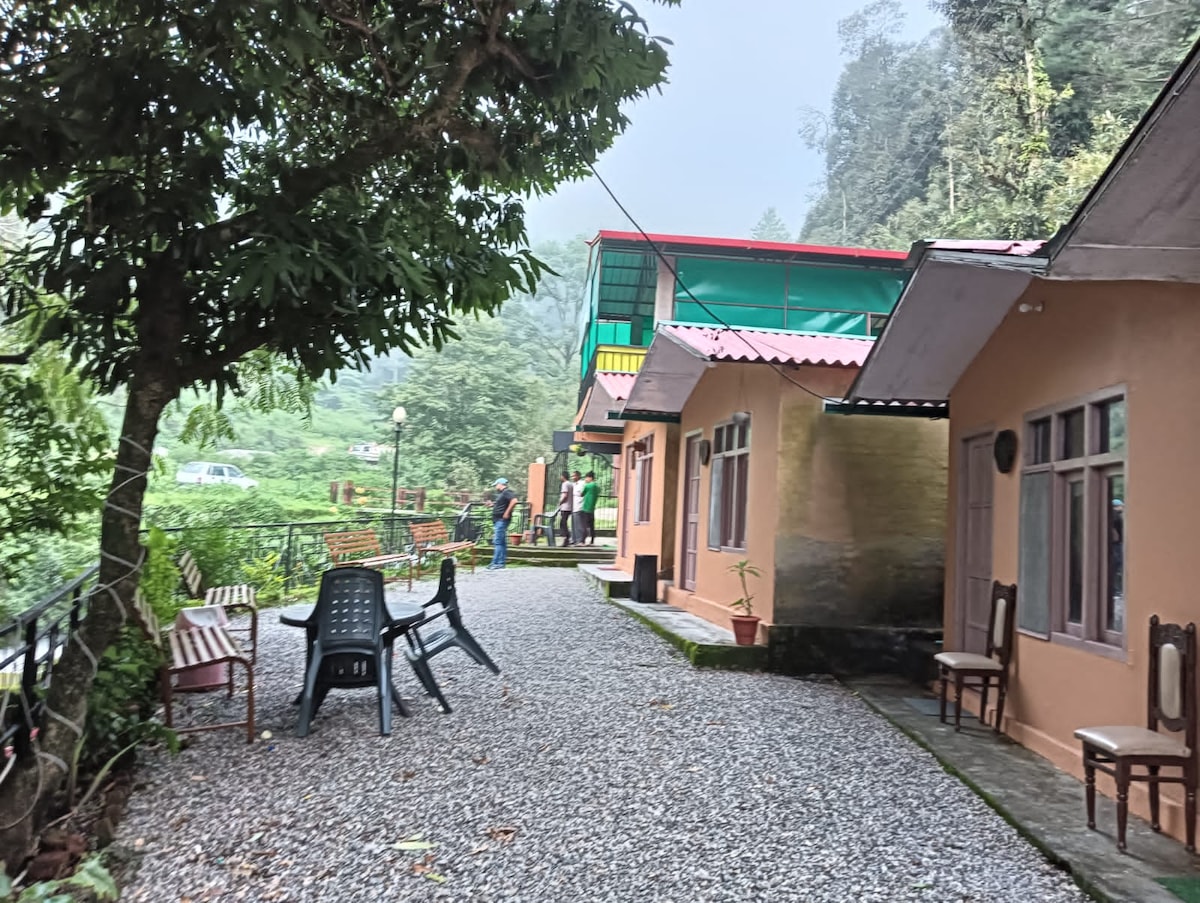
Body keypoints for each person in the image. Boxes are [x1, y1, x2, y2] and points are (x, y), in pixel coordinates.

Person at [487, 477, 518, 570]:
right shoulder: (502, 494)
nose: (496, 486)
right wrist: (492, 505)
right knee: (502, 542)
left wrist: (507, 512)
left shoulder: (506, 492)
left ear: (500, 484)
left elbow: (514, 501)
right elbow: (502, 504)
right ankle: (501, 562)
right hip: (499, 520)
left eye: (496, 485)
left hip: (501, 520)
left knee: (498, 542)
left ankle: (495, 563)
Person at [580, 471, 599, 544]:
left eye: (586, 477)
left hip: (586, 507)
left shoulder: (588, 486)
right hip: (592, 508)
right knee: (591, 525)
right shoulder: (596, 487)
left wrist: (585, 484)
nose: (586, 479)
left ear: (590, 478)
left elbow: (581, 494)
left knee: (584, 525)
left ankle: (582, 540)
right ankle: (592, 540)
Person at [556, 470, 574, 546]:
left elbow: (565, 495)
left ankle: (566, 538)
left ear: (563, 476)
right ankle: (567, 537)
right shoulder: (571, 484)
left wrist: (560, 502)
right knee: (564, 522)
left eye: (561, 476)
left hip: (565, 507)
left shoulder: (565, 484)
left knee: (563, 523)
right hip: (570, 506)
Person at [570, 470, 585, 545]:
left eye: (574, 476)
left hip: (579, 506)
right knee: (573, 525)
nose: (573, 477)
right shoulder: (573, 484)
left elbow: (582, 494)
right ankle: (573, 539)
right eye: (572, 476)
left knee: (579, 525)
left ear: (578, 476)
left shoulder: (582, 484)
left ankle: (580, 540)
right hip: (573, 506)